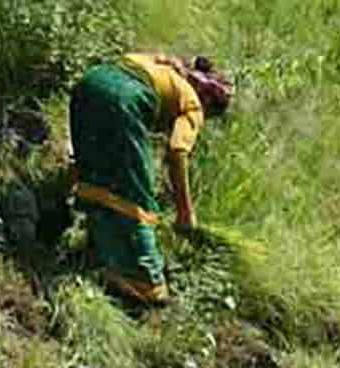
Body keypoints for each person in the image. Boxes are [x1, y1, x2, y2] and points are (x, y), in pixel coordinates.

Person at [69, 52, 232, 306]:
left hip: (89, 83)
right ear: (208, 104)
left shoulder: (160, 66)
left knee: (100, 175)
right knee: (137, 196)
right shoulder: (193, 104)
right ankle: (147, 283)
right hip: (123, 102)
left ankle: (98, 250)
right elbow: (177, 152)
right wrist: (185, 213)